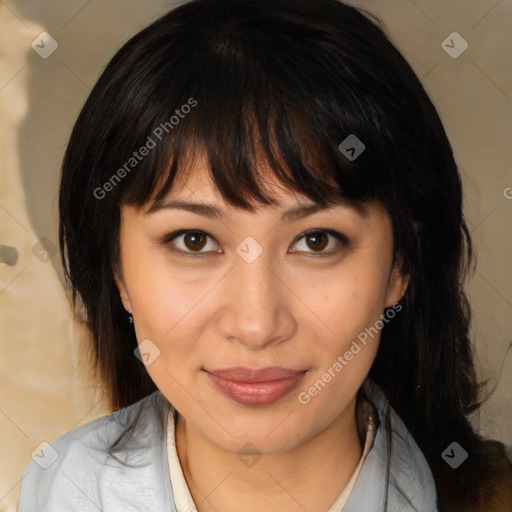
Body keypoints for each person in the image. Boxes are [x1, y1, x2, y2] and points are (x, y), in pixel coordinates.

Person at [17, 0, 512, 511]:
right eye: (193, 240)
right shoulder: (60, 487)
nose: (256, 325)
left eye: (316, 241)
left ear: (400, 266)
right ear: (117, 268)